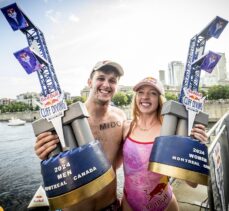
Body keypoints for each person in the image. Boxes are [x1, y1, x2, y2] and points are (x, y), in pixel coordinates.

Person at [34, 60, 126, 211]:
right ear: (90, 82)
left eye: (112, 81)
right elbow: (51, 159)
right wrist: (42, 150)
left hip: (110, 205)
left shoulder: (120, 118)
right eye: (101, 78)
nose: (106, 84)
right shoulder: (63, 119)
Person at [121, 76, 208, 211]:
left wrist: (194, 147)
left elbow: (192, 183)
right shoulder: (126, 128)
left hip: (165, 205)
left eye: (153, 93)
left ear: (160, 99)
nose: (145, 96)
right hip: (128, 205)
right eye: (141, 92)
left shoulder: (169, 132)